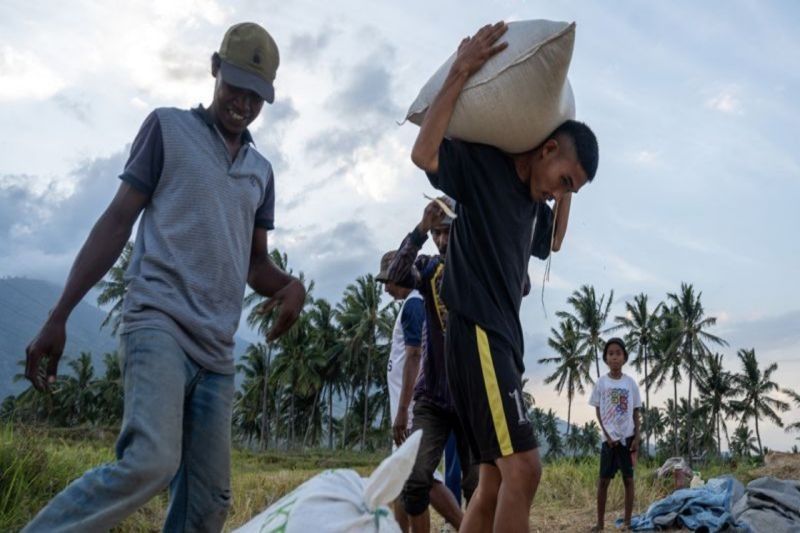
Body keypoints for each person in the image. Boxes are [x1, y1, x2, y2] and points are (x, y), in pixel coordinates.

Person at [22, 22, 306, 532]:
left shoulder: (261, 173)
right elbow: (115, 222)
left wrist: (291, 286)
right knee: (151, 461)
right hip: (159, 325)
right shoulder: (167, 129)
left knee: (209, 504)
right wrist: (59, 315)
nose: (241, 103)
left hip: (216, 352)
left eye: (255, 96)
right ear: (214, 69)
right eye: (234, 87)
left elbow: (254, 263)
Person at [410, 21, 599, 533]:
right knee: (524, 468)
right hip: (476, 330)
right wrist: (461, 70)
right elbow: (424, 153)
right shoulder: (486, 167)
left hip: (501, 341)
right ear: (546, 150)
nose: (558, 192)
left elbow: (553, 243)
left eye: (570, 191)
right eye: (562, 180)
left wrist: (566, 195)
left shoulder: (534, 204)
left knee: (494, 477)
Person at [384, 198, 479, 533]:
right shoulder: (428, 269)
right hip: (433, 397)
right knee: (415, 479)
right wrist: (420, 228)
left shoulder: (480, 268)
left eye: (447, 232)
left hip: (472, 397)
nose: (441, 240)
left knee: (475, 484)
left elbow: (521, 283)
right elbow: (395, 274)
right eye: (437, 233)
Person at [377, 251, 463, 533]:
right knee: (406, 478)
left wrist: (404, 411)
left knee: (422, 480)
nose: (386, 287)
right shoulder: (410, 306)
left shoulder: (414, 304)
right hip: (406, 406)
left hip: (413, 407)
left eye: (387, 281)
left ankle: (466, 526)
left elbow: (414, 355)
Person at [589, 338, 642, 531]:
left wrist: (637, 437)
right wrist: (607, 435)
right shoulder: (601, 383)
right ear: (605, 358)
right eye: (610, 353)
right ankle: (600, 524)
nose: (614, 357)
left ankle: (627, 523)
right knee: (603, 481)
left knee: (628, 480)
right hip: (608, 441)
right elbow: (598, 411)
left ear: (624, 357)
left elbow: (636, 412)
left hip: (627, 439)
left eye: (618, 353)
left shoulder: (630, 383)